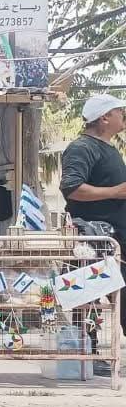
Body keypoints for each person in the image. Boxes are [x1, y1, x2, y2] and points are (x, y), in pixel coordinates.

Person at [61, 94, 126, 352]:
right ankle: (87, 353)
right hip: (95, 240)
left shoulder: (108, 148)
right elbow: (72, 188)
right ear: (104, 117)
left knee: (117, 296)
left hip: (116, 238)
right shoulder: (82, 148)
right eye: (119, 111)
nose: (123, 116)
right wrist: (115, 191)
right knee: (88, 296)